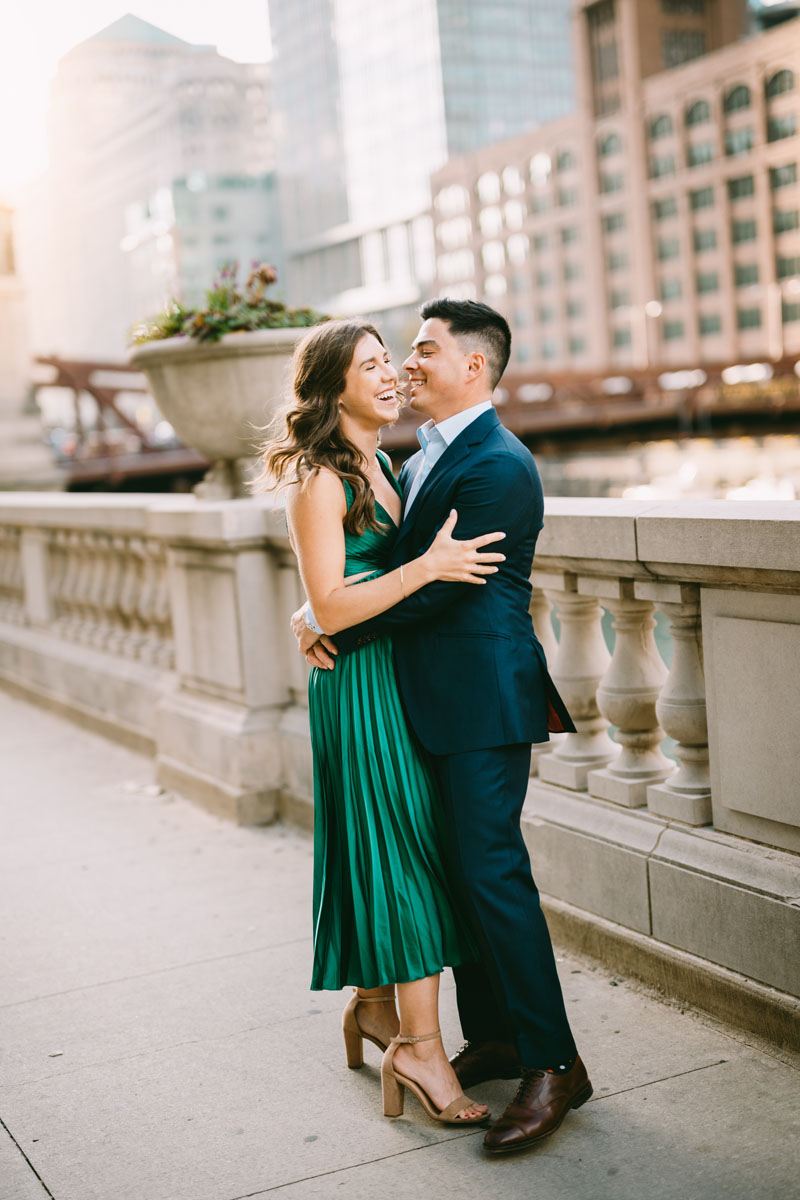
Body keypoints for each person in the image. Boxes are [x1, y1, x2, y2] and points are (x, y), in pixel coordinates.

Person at [295, 298, 592, 1156]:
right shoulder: (421, 456)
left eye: (423, 350)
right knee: (461, 875)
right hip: (427, 700)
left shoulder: (497, 466)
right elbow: (374, 563)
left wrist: (330, 623)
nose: (410, 364)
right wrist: (314, 610)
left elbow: (440, 588)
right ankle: (497, 1036)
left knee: (493, 877)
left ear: (475, 366)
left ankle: (554, 1063)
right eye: (399, 355)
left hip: (481, 700)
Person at [259, 317, 509, 1127]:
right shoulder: (319, 478)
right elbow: (333, 598)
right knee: (405, 852)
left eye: (389, 363)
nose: (391, 375)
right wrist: (425, 565)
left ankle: (375, 1008)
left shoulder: (389, 463)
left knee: (394, 842)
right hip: (359, 687)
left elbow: (331, 596)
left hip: (392, 678)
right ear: (332, 388)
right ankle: (421, 1048)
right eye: (371, 366)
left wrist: (320, 606)